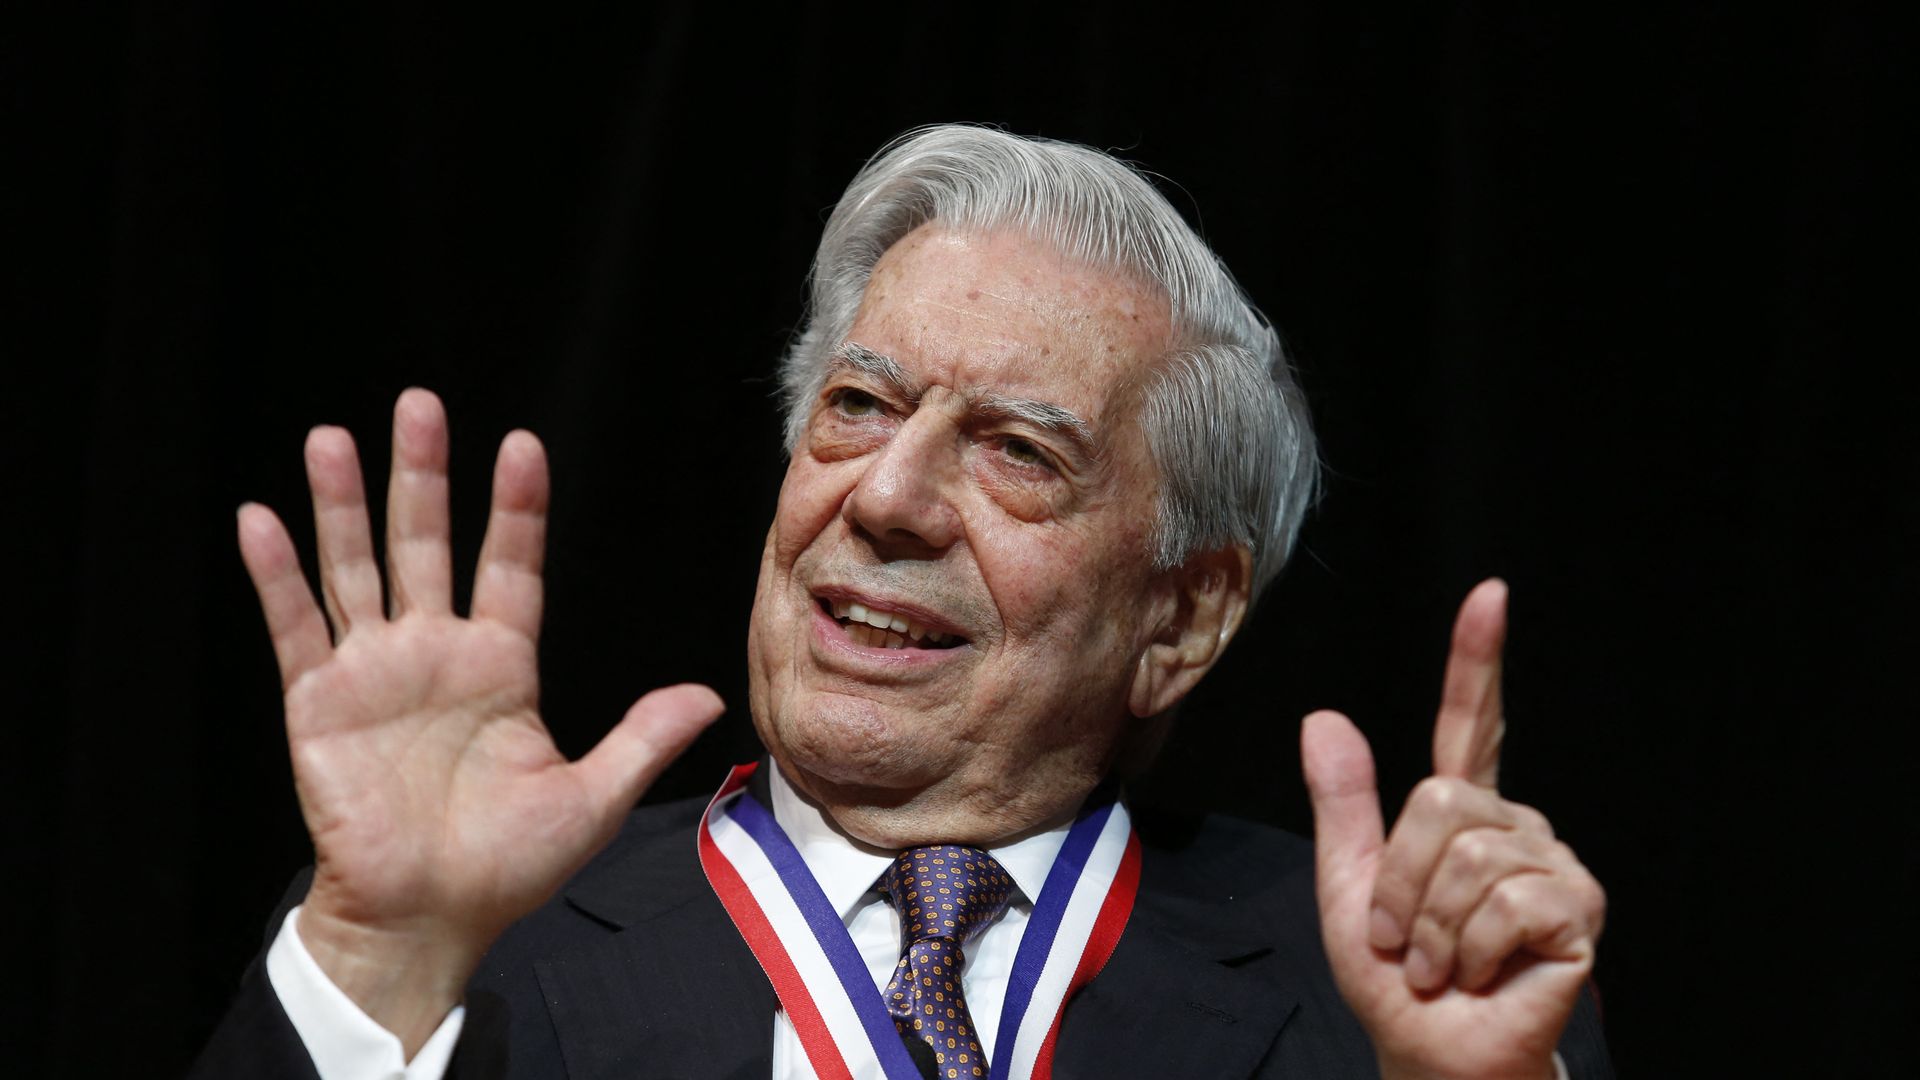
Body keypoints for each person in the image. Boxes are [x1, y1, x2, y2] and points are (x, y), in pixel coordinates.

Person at [194, 125, 1610, 1079]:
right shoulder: (467, 951)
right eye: (859, 406)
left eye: (1016, 450)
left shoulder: (1405, 995)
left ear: (1182, 617)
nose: (888, 498)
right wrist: (378, 963)